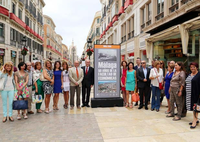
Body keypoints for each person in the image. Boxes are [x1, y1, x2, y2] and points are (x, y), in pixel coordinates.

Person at [185, 62, 200, 129]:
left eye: (194, 67)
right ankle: (195, 119)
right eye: (191, 67)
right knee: (192, 107)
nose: (192, 68)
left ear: (197, 67)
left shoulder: (199, 74)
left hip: (196, 94)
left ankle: (194, 121)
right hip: (189, 94)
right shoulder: (189, 74)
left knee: (195, 107)